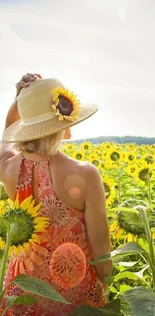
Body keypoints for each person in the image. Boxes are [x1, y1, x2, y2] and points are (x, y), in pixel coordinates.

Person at [0, 73, 112, 315]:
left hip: (21, 296)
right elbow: (100, 243)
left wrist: (18, 101)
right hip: (74, 295)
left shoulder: (8, 169)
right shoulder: (85, 174)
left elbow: (4, 145)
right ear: (64, 125)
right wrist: (108, 285)